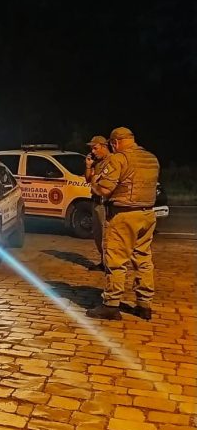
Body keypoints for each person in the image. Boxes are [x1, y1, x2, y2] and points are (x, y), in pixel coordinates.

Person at [87, 127, 159, 321]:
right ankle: (144, 304)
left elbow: (104, 189)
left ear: (115, 143)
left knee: (116, 260)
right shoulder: (151, 158)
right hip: (147, 214)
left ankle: (111, 304)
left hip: (124, 215)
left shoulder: (119, 159)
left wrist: (94, 182)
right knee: (143, 259)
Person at [84, 135, 111, 271]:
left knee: (106, 236)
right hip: (95, 201)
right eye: (91, 149)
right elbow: (88, 179)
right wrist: (88, 166)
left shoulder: (112, 161)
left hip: (105, 204)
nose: (93, 151)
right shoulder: (97, 162)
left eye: (95, 148)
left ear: (104, 146)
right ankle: (103, 261)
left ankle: (109, 264)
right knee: (98, 235)